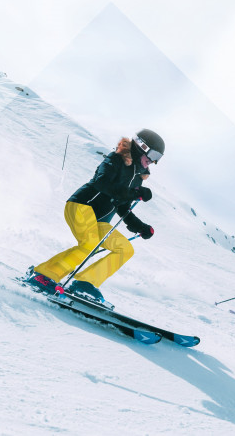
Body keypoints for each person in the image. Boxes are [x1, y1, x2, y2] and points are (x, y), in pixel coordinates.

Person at [26, 129, 165, 304]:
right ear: (141, 146)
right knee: (89, 244)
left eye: (158, 158)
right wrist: (133, 192)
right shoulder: (115, 159)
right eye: (153, 154)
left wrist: (141, 227)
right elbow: (101, 182)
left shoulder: (137, 178)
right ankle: (43, 275)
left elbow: (123, 207)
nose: (153, 160)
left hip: (99, 221)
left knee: (125, 249)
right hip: (82, 206)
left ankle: (85, 282)